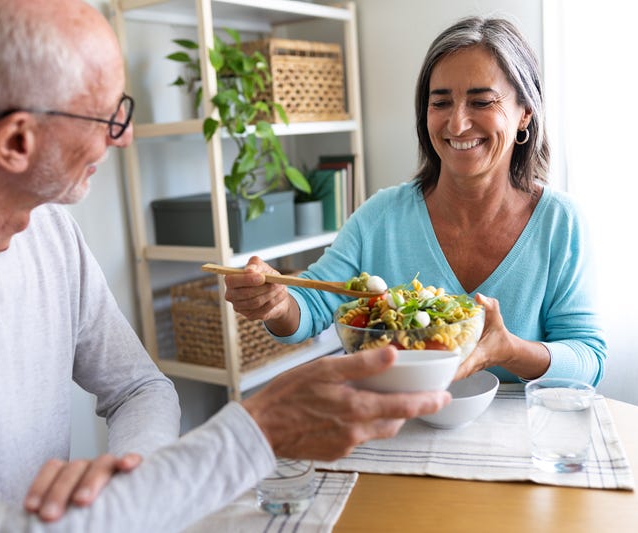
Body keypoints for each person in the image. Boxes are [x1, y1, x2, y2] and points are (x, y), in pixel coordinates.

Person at [0, 0, 452, 531]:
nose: (126, 135)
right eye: (109, 114)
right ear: (17, 140)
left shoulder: (49, 231)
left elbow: (140, 388)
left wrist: (125, 479)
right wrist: (261, 430)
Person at [223, 16, 607, 387]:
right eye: (440, 103)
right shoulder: (381, 217)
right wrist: (275, 302)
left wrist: (509, 350)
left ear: (525, 113)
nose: (456, 124)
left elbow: (588, 359)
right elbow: (311, 304)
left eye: (482, 102)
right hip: (396, 427)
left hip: (517, 439)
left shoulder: (560, 222)